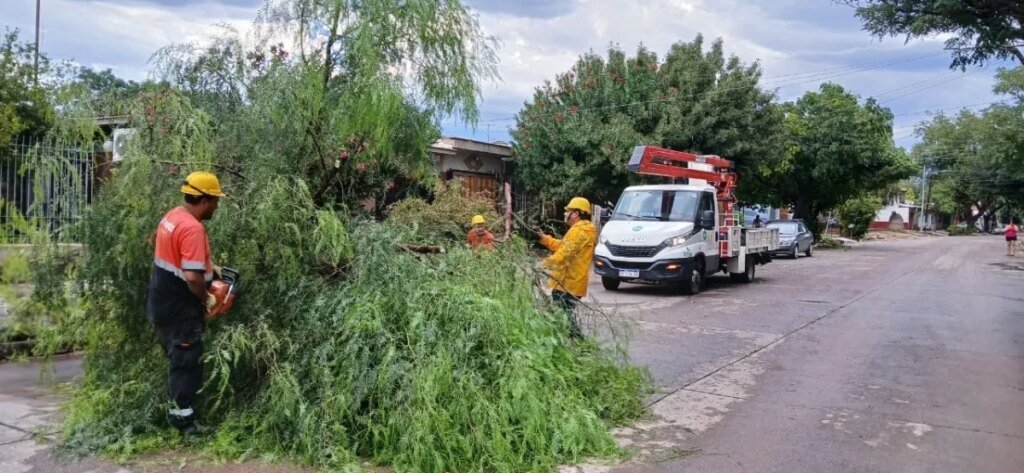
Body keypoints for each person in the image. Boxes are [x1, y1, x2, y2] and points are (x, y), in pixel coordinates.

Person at [147, 171, 225, 435]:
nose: (216, 205)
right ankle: (184, 422)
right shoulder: (193, 228)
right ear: (203, 200)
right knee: (186, 363)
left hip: (162, 301)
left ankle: (179, 411)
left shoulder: (173, 216)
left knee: (178, 359)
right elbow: (192, 277)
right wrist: (206, 297)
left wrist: (209, 267)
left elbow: (178, 258)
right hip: (180, 308)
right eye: (215, 200)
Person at [536, 197, 597, 339]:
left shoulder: (579, 231)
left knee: (564, 318)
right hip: (569, 282)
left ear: (575, 213)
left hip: (568, 283)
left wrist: (542, 265)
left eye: (567, 211)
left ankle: (580, 344)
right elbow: (563, 246)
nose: (564, 214)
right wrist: (544, 238)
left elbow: (563, 255)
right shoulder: (581, 230)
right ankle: (575, 344)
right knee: (563, 316)